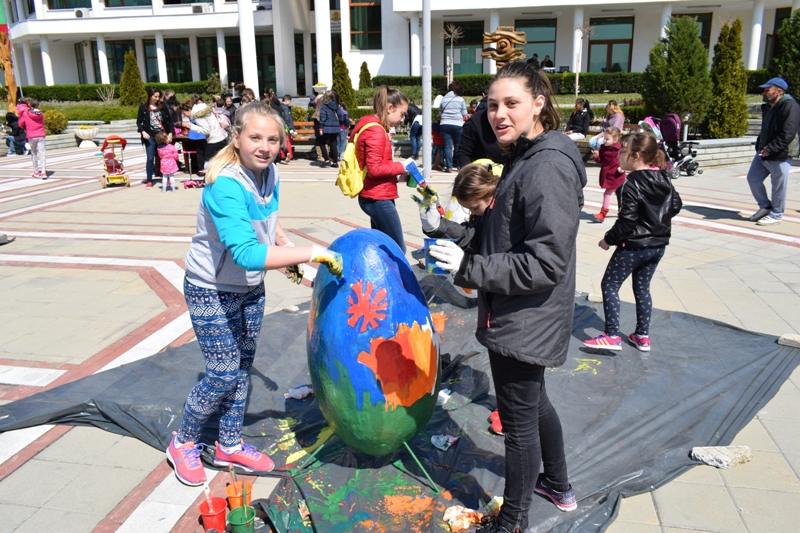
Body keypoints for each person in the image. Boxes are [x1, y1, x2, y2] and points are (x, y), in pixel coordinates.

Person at [418, 62, 586, 531]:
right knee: (534, 404)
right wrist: (448, 231)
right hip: (520, 312)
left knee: (518, 421)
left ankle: (512, 520)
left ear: (539, 103)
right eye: (493, 105)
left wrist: (468, 268)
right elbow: (498, 233)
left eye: (511, 103)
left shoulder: (547, 165)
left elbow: (545, 263)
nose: (499, 114)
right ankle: (558, 484)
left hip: (525, 317)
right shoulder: (526, 154)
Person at [167, 102, 343, 487]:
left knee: (242, 367)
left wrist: (284, 246)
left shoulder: (270, 172)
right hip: (210, 288)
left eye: (272, 139)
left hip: (248, 287)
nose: (264, 147)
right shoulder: (225, 185)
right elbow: (246, 253)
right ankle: (183, 442)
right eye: (255, 138)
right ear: (237, 138)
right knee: (223, 372)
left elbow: (268, 220)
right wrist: (312, 252)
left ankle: (229, 442)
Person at [584, 131, 682, 353]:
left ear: (636, 156)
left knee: (609, 285)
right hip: (657, 246)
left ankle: (611, 335)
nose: (618, 156)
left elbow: (627, 221)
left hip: (634, 246)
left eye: (623, 152)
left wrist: (608, 239)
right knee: (642, 288)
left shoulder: (629, 184)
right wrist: (657, 223)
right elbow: (675, 204)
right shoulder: (663, 176)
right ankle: (642, 336)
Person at [353, 85, 411, 254]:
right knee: (397, 249)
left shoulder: (374, 128)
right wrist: (401, 166)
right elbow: (375, 169)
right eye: (402, 114)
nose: (402, 119)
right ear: (389, 108)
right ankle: (398, 280)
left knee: (382, 247)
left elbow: (376, 166)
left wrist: (398, 176)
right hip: (378, 199)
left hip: (377, 194)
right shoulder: (376, 131)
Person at [746, 77, 800, 226]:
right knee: (753, 178)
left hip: (781, 153)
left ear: (779, 91)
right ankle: (765, 207)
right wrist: (761, 146)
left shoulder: (790, 106)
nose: (764, 93)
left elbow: (788, 133)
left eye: (767, 90)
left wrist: (771, 148)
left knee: (778, 186)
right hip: (764, 152)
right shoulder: (769, 107)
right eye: (764, 90)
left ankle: (776, 214)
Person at [137, 88, 174, 189]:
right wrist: (143, 132)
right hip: (150, 135)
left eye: (158, 96)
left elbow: (170, 120)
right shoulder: (143, 107)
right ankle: (149, 180)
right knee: (150, 158)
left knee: (165, 157)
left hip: (162, 135)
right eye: (155, 97)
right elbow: (138, 122)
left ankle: (168, 177)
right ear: (150, 96)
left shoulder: (162, 106)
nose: (157, 98)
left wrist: (170, 133)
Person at [591, 126, 626, 222]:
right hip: (607, 174)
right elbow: (600, 160)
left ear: (615, 140)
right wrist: (596, 156)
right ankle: (624, 211)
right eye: (604, 138)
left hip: (616, 174)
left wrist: (623, 168)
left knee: (607, 193)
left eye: (607, 139)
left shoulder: (620, 149)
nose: (604, 141)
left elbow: (625, 159)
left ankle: (603, 214)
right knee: (619, 194)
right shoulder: (603, 147)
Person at [439, 80, 468, 173]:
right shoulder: (460, 99)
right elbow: (464, 114)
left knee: (447, 146)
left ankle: (449, 167)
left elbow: (440, 112)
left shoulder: (444, 99)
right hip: (457, 124)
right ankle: (459, 166)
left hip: (444, 124)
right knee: (458, 146)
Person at [18, 98, 47, 179]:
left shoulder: (26, 114)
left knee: (34, 153)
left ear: (30, 105)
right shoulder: (41, 114)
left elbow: (20, 123)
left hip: (31, 135)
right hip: (41, 135)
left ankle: (36, 171)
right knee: (42, 153)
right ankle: (44, 172)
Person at [319, 90, 341, 167]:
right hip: (335, 127)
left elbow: (323, 117)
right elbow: (340, 115)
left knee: (321, 142)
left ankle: (327, 160)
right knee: (333, 144)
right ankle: (335, 162)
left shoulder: (324, 106)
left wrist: (321, 128)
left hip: (327, 127)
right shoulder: (336, 105)